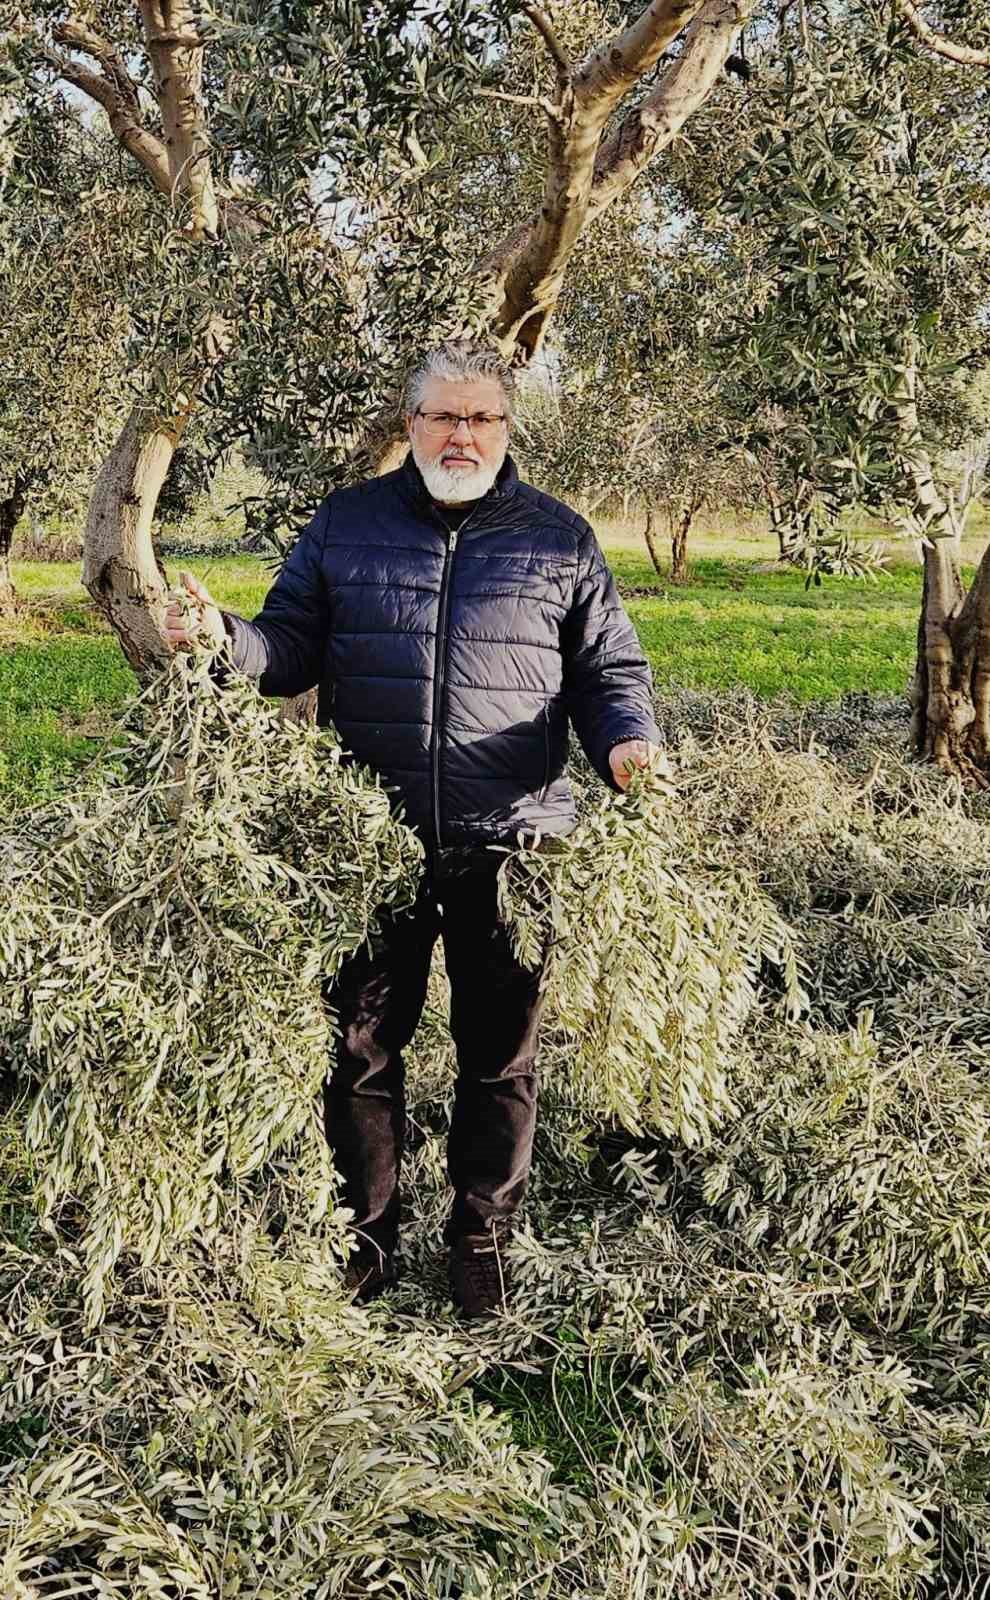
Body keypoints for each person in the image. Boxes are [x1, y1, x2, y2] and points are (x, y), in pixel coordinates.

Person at [165, 340, 665, 1317]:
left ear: (506, 428)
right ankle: (364, 1242)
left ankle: (480, 1244)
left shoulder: (558, 538)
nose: (461, 435)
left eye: (481, 418)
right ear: (412, 424)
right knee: (358, 1052)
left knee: (500, 1058)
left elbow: (608, 669)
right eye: (443, 416)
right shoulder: (347, 523)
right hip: (374, 837)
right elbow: (288, 645)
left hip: (513, 839)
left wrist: (626, 742)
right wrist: (224, 641)